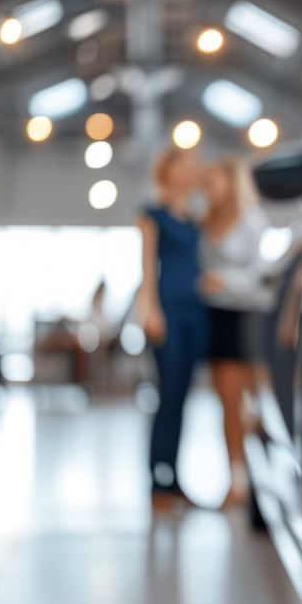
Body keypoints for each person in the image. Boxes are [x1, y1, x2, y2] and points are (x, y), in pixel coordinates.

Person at [199, 158, 275, 508]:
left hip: (248, 318)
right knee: (226, 405)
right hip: (215, 316)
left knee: (255, 405)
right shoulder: (203, 222)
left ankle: (265, 480)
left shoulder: (253, 220)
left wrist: (224, 281)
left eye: (214, 180)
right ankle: (236, 480)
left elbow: (264, 280)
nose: (208, 187)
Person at [137, 148, 207, 511]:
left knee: (183, 397)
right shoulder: (153, 215)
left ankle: (175, 477)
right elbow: (147, 267)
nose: (192, 170)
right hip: (167, 311)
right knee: (166, 395)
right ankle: (155, 480)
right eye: (185, 165)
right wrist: (150, 310)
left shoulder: (195, 219)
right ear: (168, 170)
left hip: (196, 311)